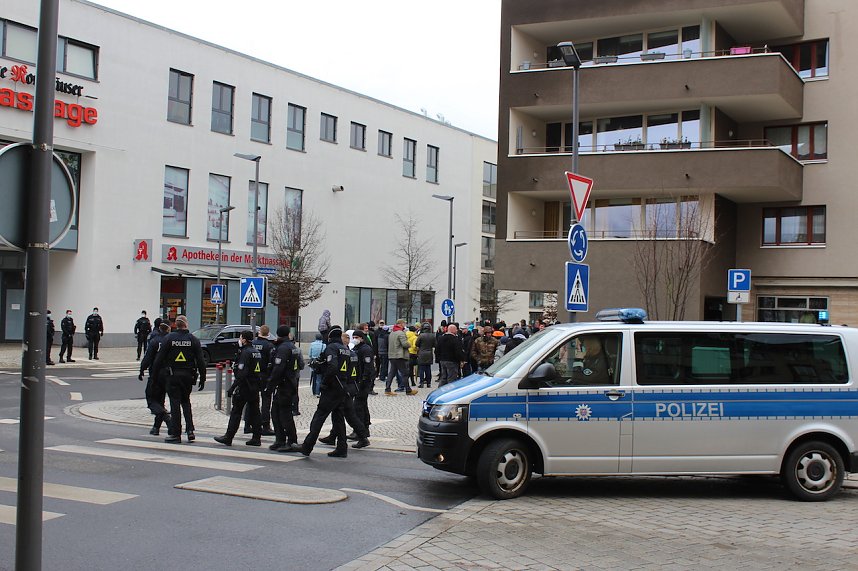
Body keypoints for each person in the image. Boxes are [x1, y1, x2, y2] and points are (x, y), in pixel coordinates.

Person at [301, 326, 369, 458]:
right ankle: (342, 447)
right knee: (339, 418)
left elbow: (332, 367)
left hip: (333, 389)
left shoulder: (332, 348)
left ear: (330, 337)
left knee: (319, 417)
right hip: (344, 388)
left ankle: (307, 446)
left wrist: (324, 383)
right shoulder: (348, 350)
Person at [152, 315, 206, 443]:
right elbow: (200, 361)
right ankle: (190, 430)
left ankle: (176, 434)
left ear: (175, 325)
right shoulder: (193, 339)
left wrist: (154, 378)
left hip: (172, 376)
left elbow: (159, 359)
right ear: (186, 324)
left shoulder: (169, 338)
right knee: (186, 402)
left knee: (174, 403)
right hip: (188, 376)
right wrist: (202, 378)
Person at [215, 330, 263, 446]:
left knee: (236, 412)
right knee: (255, 412)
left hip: (245, 386)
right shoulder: (256, 352)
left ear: (244, 340)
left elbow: (242, 373)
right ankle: (257, 438)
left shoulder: (245, 353)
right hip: (255, 386)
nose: (239, 340)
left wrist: (232, 388)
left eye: (241, 338)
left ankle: (228, 437)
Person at [267, 325, 303, 452]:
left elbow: (278, 369)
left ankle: (291, 441)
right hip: (290, 383)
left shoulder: (283, 348)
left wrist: (270, 385)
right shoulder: (293, 347)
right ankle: (280, 440)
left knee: (284, 414)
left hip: (284, 385)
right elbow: (300, 365)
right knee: (275, 412)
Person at [139, 323, 171, 435]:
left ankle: (167, 418)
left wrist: (142, 369)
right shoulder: (171, 340)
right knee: (160, 400)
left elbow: (148, 357)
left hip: (156, 374)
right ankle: (156, 427)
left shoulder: (155, 341)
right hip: (168, 374)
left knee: (151, 399)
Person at [247, 325, 274, 435]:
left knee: (251, 400)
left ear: (259, 332)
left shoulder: (252, 343)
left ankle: (248, 424)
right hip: (264, 375)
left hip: (252, 375)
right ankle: (265, 425)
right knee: (266, 400)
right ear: (268, 334)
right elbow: (271, 362)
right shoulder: (269, 346)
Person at [348, 329, 374, 442]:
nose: (355, 339)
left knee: (358, 406)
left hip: (363, 381)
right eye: (353, 337)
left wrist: (363, 379)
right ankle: (364, 429)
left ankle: (359, 431)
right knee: (362, 406)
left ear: (362, 338)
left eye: (356, 337)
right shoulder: (356, 348)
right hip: (358, 380)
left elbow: (368, 366)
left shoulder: (366, 349)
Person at [386, 319, 414, 395]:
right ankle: (408, 390)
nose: (405, 325)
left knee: (391, 373)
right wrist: (409, 344)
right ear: (401, 324)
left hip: (392, 355)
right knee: (404, 373)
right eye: (404, 323)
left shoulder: (392, 333)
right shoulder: (401, 333)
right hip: (399, 356)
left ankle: (387, 389)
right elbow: (405, 344)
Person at [416, 322, 435, 388]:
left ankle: (421, 383)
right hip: (429, 353)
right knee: (428, 369)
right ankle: (428, 383)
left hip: (422, 353)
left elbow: (416, 344)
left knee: (421, 369)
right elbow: (435, 345)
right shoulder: (432, 335)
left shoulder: (421, 335)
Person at [308, 332, 326, 397]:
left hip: (313, 362)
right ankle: (318, 392)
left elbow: (309, 354)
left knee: (314, 377)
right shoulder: (324, 345)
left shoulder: (312, 344)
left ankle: (314, 391)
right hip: (320, 363)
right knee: (319, 377)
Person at [375, 320, 389, 389]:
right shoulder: (386, 336)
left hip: (379, 352)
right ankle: (382, 377)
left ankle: (381, 376)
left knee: (380, 364)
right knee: (384, 365)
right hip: (385, 352)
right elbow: (387, 344)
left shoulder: (379, 335)